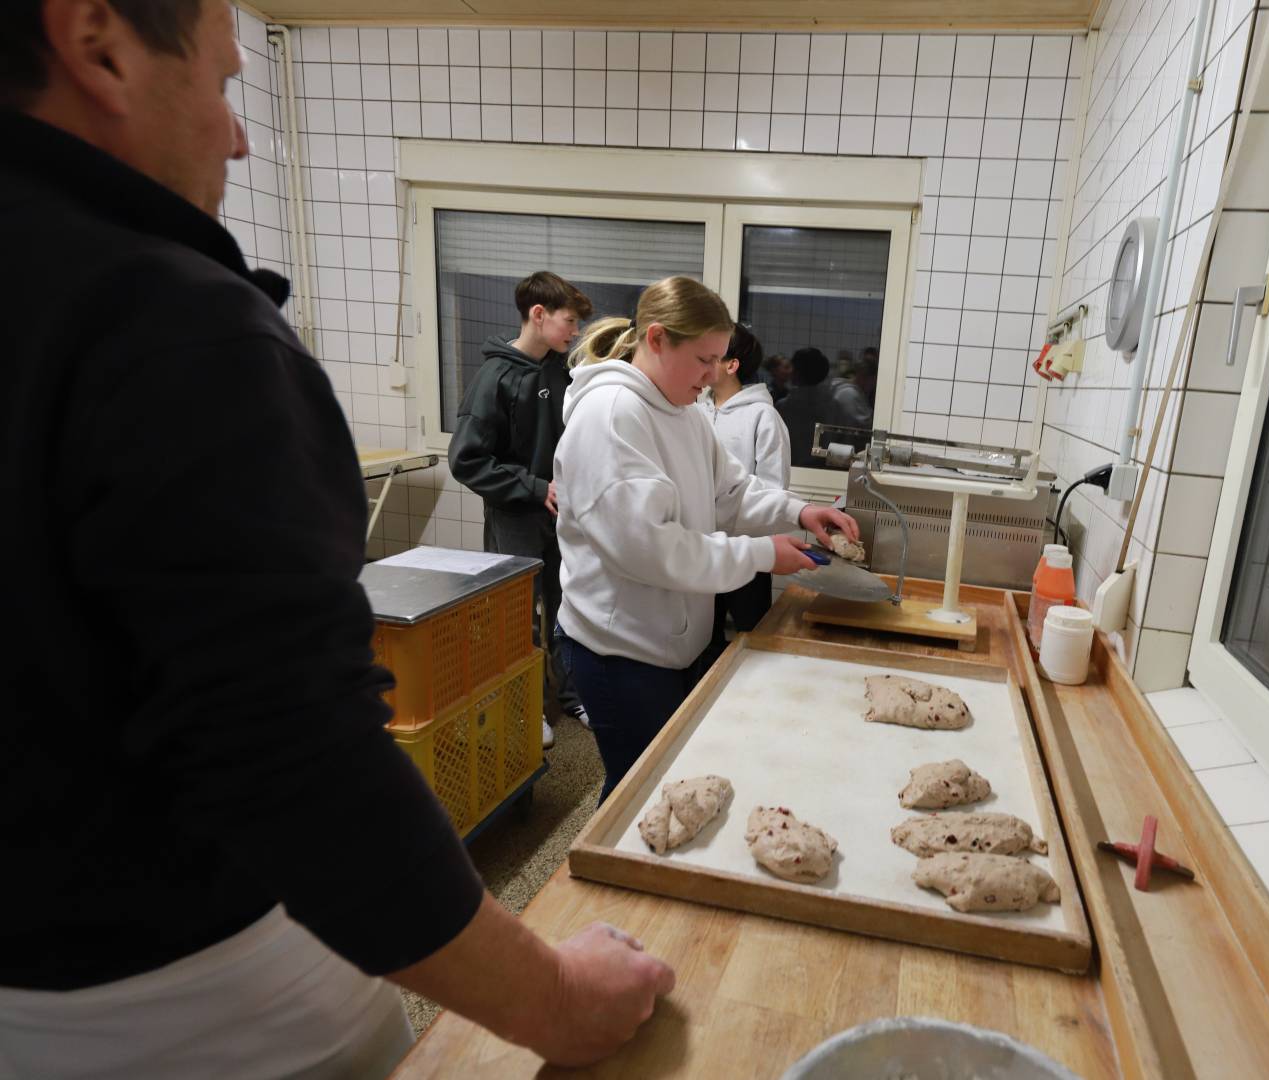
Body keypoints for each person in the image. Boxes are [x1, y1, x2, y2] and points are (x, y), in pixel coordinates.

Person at [0, 2, 671, 1075]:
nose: (238, 135)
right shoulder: (156, 317)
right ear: (96, 42)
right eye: (222, 86)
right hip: (180, 1004)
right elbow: (293, 758)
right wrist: (553, 996)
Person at [554, 277, 859, 799]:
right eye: (703, 359)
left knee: (663, 785)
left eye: (720, 359)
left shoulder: (685, 413)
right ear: (655, 339)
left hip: (670, 644)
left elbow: (733, 493)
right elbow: (649, 548)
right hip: (621, 651)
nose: (714, 373)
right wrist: (763, 554)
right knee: (638, 794)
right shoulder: (611, 418)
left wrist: (800, 511)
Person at [448, 270, 593, 748]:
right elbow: (466, 461)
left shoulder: (560, 370)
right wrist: (533, 487)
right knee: (517, 617)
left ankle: (570, 695)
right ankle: (523, 707)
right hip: (515, 517)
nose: (574, 333)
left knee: (566, 607)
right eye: (569, 322)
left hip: (559, 516)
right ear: (538, 314)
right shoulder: (495, 377)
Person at [698, 324, 793, 651]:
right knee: (703, 641)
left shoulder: (763, 417)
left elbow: (772, 492)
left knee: (753, 641)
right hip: (703, 549)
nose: (703, 364)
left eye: (712, 357)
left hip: (747, 552)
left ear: (731, 365)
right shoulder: (697, 409)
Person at [777, 346, 870, 466]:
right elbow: (845, 443)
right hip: (825, 474)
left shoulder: (783, 407)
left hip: (791, 471)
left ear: (796, 373)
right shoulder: (835, 406)